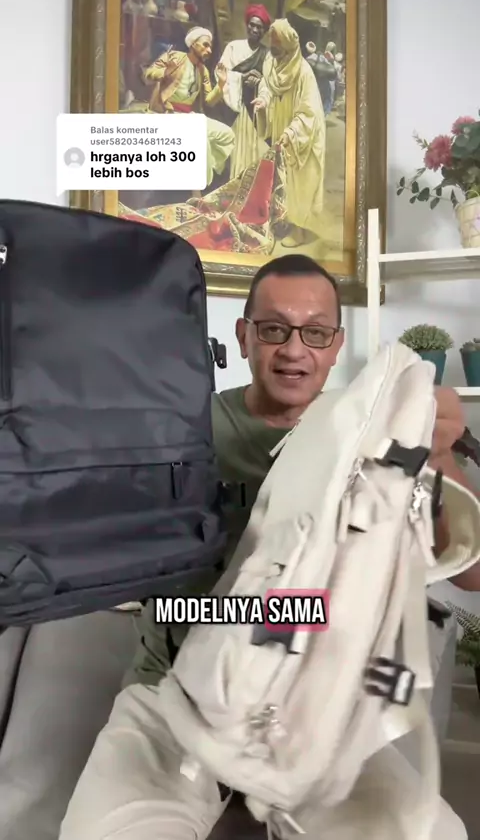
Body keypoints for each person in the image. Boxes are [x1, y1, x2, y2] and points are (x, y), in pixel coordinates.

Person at [59, 256, 477, 840]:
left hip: (320, 708)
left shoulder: (375, 440)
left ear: (336, 344)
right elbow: (105, 554)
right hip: (172, 692)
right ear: (244, 335)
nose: (294, 350)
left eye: (316, 332)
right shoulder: (181, 429)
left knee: (431, 831)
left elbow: (471, 577)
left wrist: (437, 455)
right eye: (274, 328)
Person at [253, 20, 326, 248]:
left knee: (300, 182)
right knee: (283, 180)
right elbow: (267, 85)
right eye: (272, 41)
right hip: (281, 129)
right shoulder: (271, 62)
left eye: (277, 43)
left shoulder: (304, 72)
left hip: (303, 136)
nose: (273, 46)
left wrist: (292, 132)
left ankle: (300, 231)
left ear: (287, 44)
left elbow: (308, 112)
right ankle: (285, 220)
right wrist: (263, 101)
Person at [143, 27, 235, 188]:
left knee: (227, 135)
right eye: (205, 45)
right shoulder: (175, 57)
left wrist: (221, 84)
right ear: (193, 44)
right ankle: (198, 188)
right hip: (168, 114)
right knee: (201, 139)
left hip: (188, 116)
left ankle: (198, 173)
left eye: (210, 47)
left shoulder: (203, 70)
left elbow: (209, 101)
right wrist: (166, 72)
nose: (209, 50)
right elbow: (148, 73)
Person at [215, 4, 271, 179]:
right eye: (252, 25)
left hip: (254, 112)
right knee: (232, 152)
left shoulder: (267, 55)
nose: (255, 29)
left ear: (264, 31)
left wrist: (259, 81)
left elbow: (270, 82)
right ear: (247, 25)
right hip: (234, 109)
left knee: (252, 152)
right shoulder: (233, 47)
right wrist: (241, 78)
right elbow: (220, 73)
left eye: (259, 27)